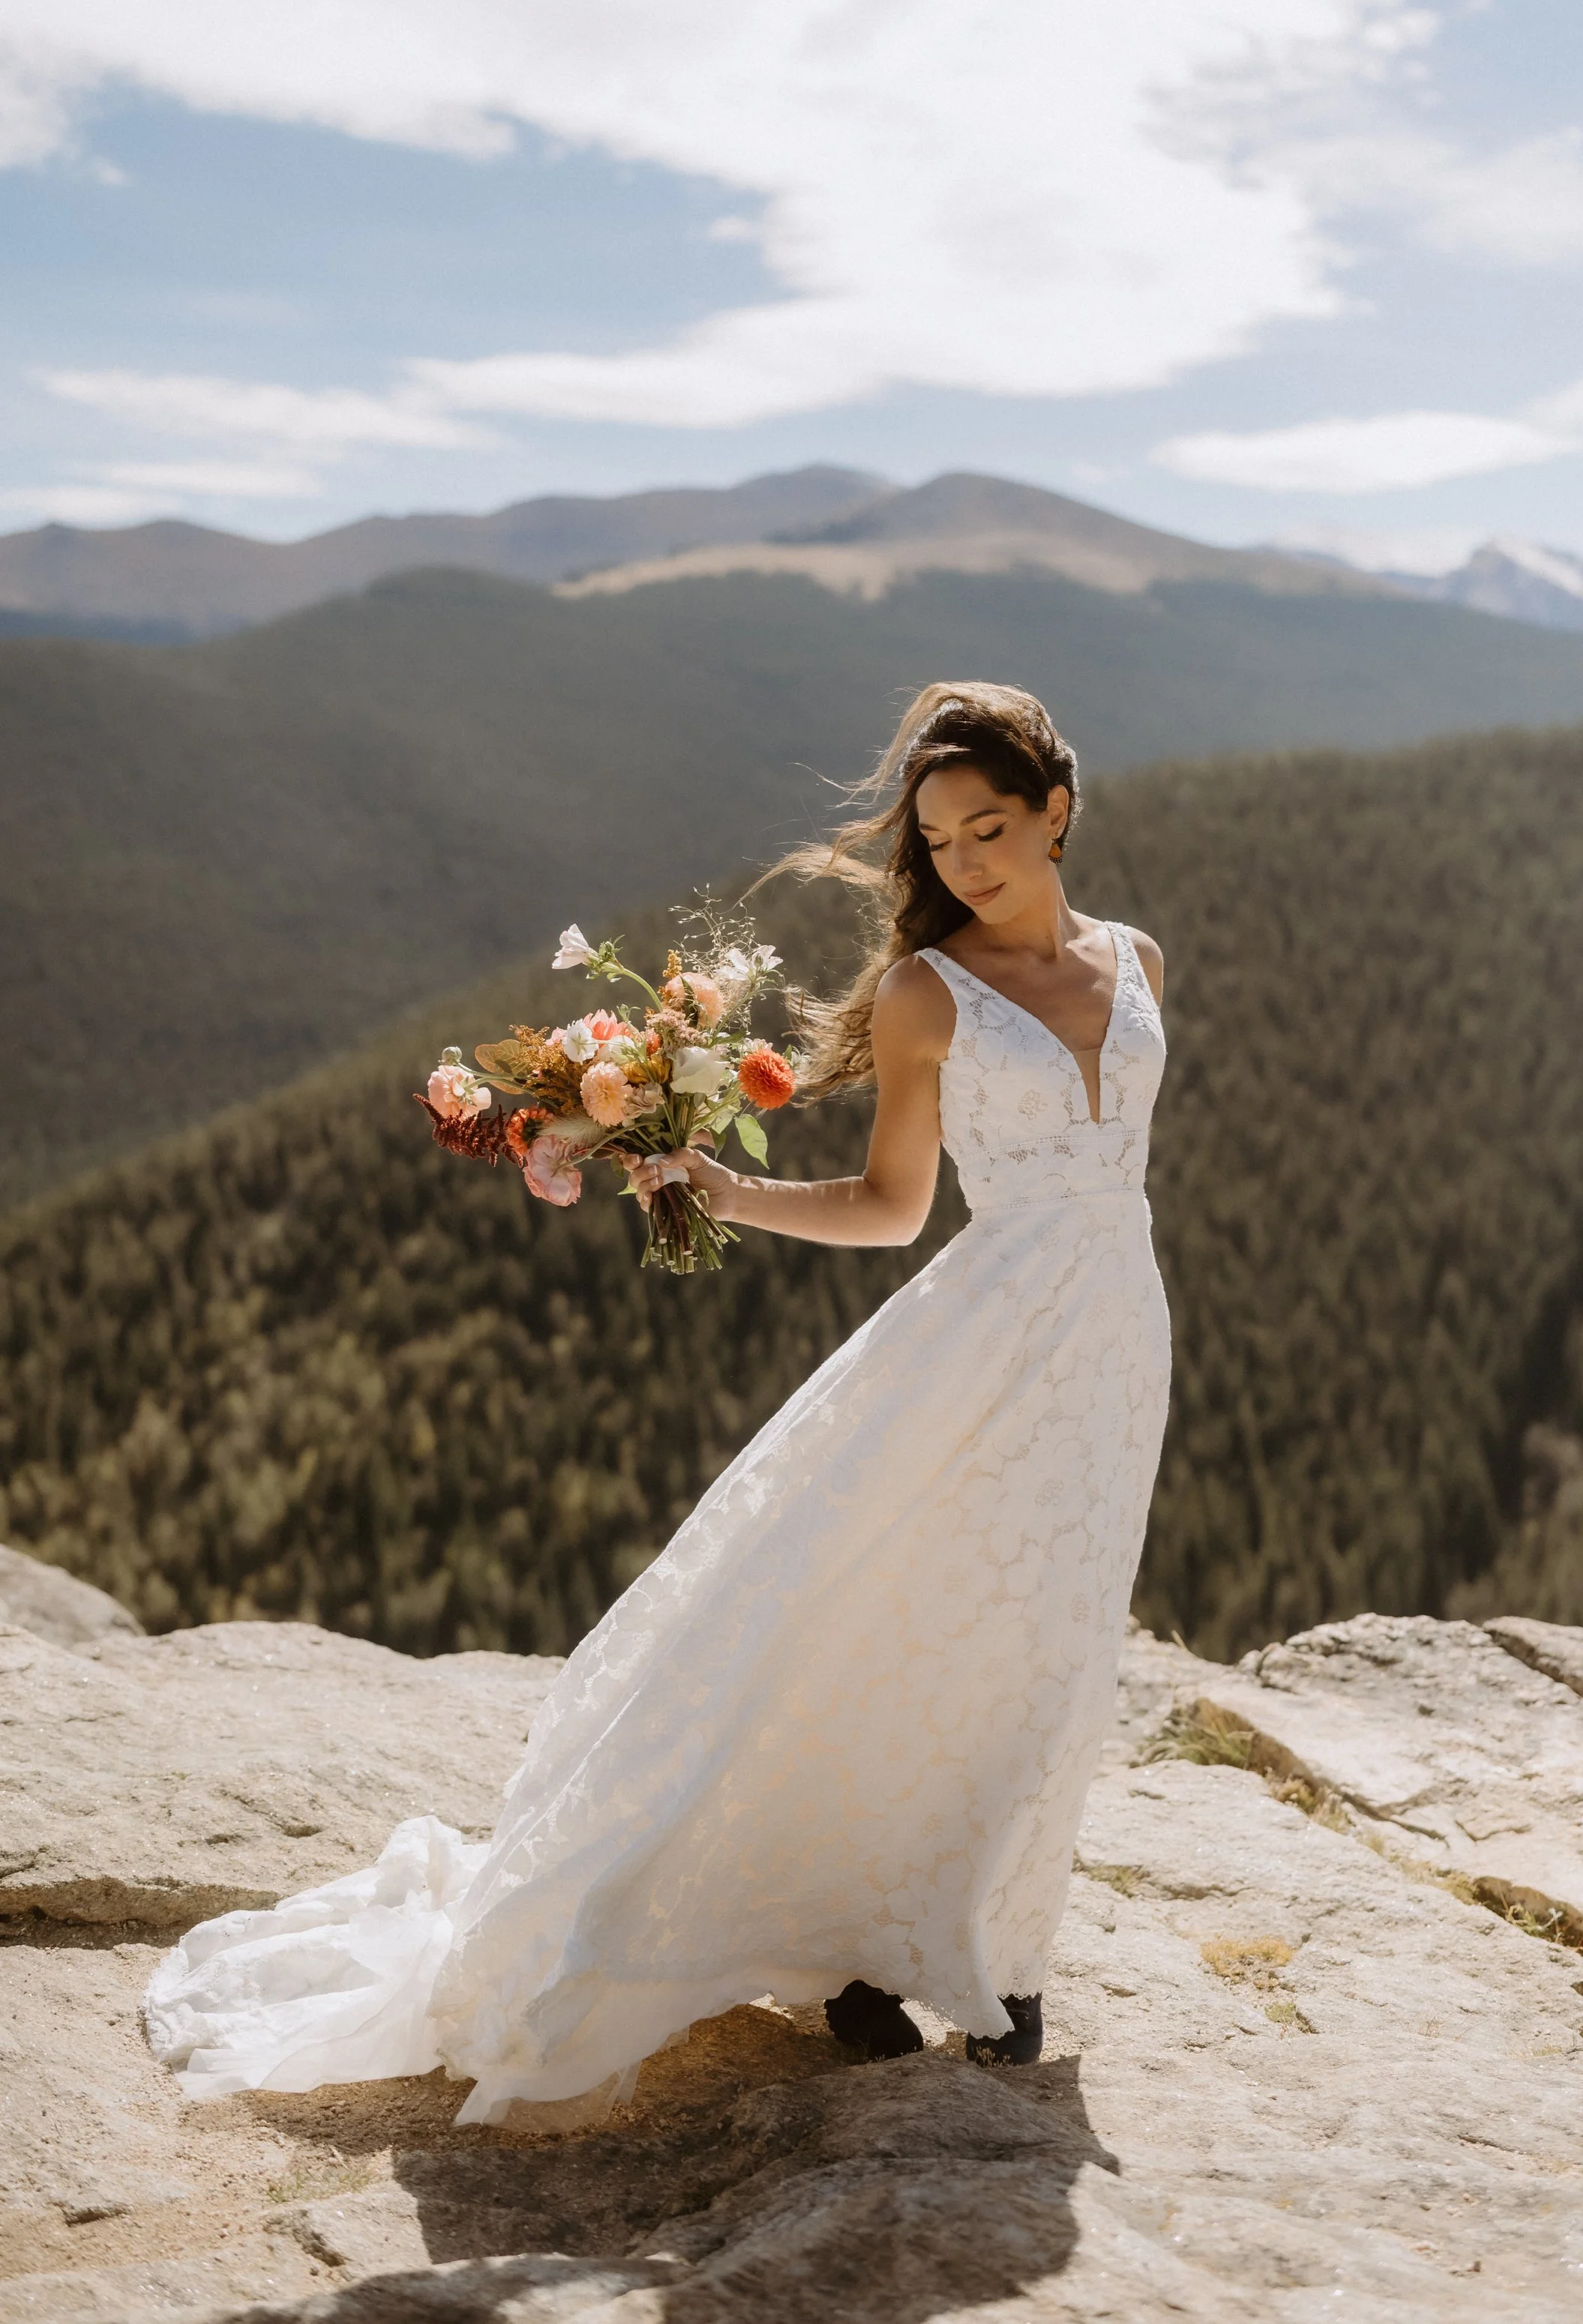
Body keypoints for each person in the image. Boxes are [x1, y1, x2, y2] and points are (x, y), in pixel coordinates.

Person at [144, 681, 1170, 2119]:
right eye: (937, 843)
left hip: (1120, 1342)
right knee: (899, 1621)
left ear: (1057, 810)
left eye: (989, 828)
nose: (965, 861)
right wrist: (727, 1189)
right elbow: (892, 1209)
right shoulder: (926, 994)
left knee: (1051, 1648)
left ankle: (993, 1940)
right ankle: (872, 1945)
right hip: (987, 1342)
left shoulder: (1139, 962)